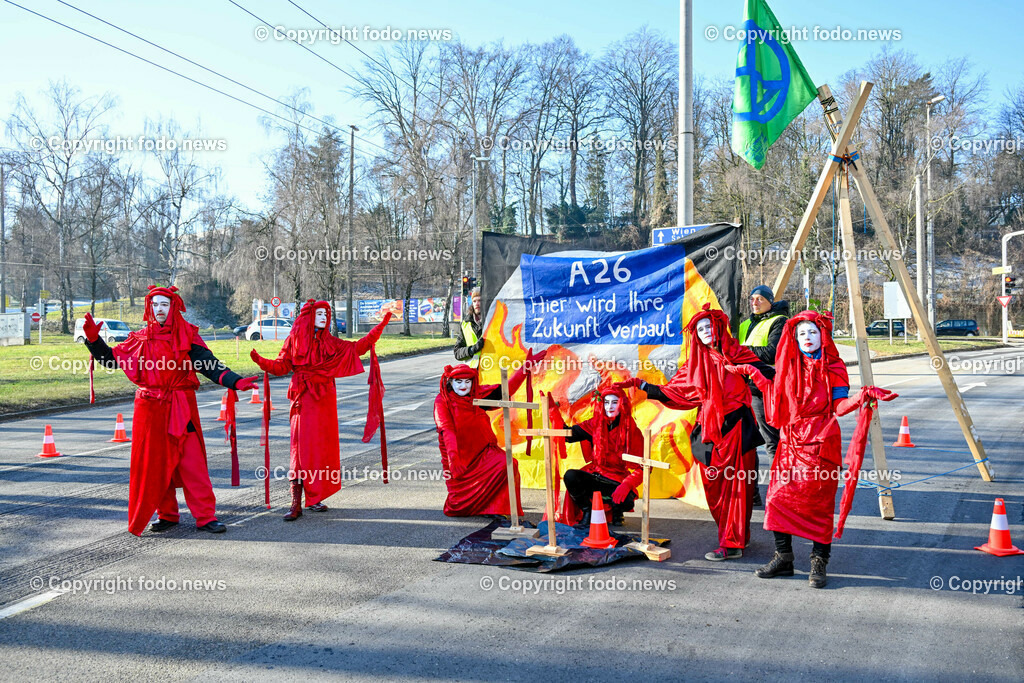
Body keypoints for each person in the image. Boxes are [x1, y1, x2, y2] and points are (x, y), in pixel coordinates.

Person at [727, 311, 896, 588]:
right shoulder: (788, 365)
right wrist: (750, 371)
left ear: (823, 336)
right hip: (791, 441)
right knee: (777, 499)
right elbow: (773, 393)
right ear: (794, 337)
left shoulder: (835, 368)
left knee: (818, 506)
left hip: (821, 441)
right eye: (802, 333)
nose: (808, 337)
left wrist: (861, 396)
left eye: (813, 332)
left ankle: (819, 562)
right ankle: (784, 558)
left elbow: (838, 408)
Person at [82, 285, 257, 536]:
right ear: (148, 308)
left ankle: (206, 516)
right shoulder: (138, 338)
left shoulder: (187, 335)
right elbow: (111, 360)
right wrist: (93, 340)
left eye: (164, 304)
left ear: (173, 306)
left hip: (180, 406)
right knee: (154, 464)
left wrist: (236, 381)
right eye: (155, 305)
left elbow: (208, 364)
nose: (159, 309)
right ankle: (167, 514)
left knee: (192, 464)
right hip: (149, 409)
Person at [617, 304, 771, 561]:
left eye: (709, 326)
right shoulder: (695, 364)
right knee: (714, 488)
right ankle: (731, 534)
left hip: (736, 429)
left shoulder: (738, 354)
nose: (705, 331)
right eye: (700, 329)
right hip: (708, 433)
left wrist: (749, 372)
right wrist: (640, 384)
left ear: (719, 327)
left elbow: (770, 378)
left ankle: (732, 543)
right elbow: (673, 392)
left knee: (737, 490)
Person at [251, 301, 392, 521]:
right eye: (320, 313)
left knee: (321, 449)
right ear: (309, 316)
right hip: (303, 398)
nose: (325, 317)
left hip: (325, 398)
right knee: (300, 449)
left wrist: (379, 328)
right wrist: (263, 363)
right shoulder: (294, 339)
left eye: (326, 313)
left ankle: (315, 497)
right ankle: (295, 502)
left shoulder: (330, 341)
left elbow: (357, 348)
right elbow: (282, 366)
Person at [433, 350, 545, 517]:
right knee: (459, 504)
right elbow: (446, 429)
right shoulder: (443, 401)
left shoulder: (478, 395)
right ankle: (478, 506)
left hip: (483, 451)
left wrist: (524, 369)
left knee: (508, 464)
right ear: (450, 383)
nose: (463, 386)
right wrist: (453, 456)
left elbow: (504, 391)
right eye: (458, 382)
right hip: (459, 454)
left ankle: (495, 507)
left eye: (467, 382)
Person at [737, 285, 790, 506]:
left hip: (763, 389)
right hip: (741, 390)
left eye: (760, 299)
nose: (755, 302)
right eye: (752, 299)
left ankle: (782, 491)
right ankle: (753, 493)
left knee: (771, 441)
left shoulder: (779, 321)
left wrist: (740, 352)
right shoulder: (745, 324)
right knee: (746, 444)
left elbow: (772, 352)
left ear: (770, 301)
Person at [561, 386, 643, 527]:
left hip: (617, 478)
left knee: (626, 499)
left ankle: (617, 510)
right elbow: (568, 435)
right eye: (606, 402)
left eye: (614, 402)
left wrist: (626, 485)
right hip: (597, 474)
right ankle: (587, 511)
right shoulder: (595, 423)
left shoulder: (632, 430)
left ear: (621, 404)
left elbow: (642, 467)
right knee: (571, 477)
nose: (610, 406)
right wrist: (553, 413)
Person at [454, 287, 484, 365]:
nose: (477, 304)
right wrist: (472, 349)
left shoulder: (494, 321)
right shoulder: (466, 324)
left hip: (492, 371)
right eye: (474, 301)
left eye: (480, 300)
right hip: (473, 373)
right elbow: (457, 352)